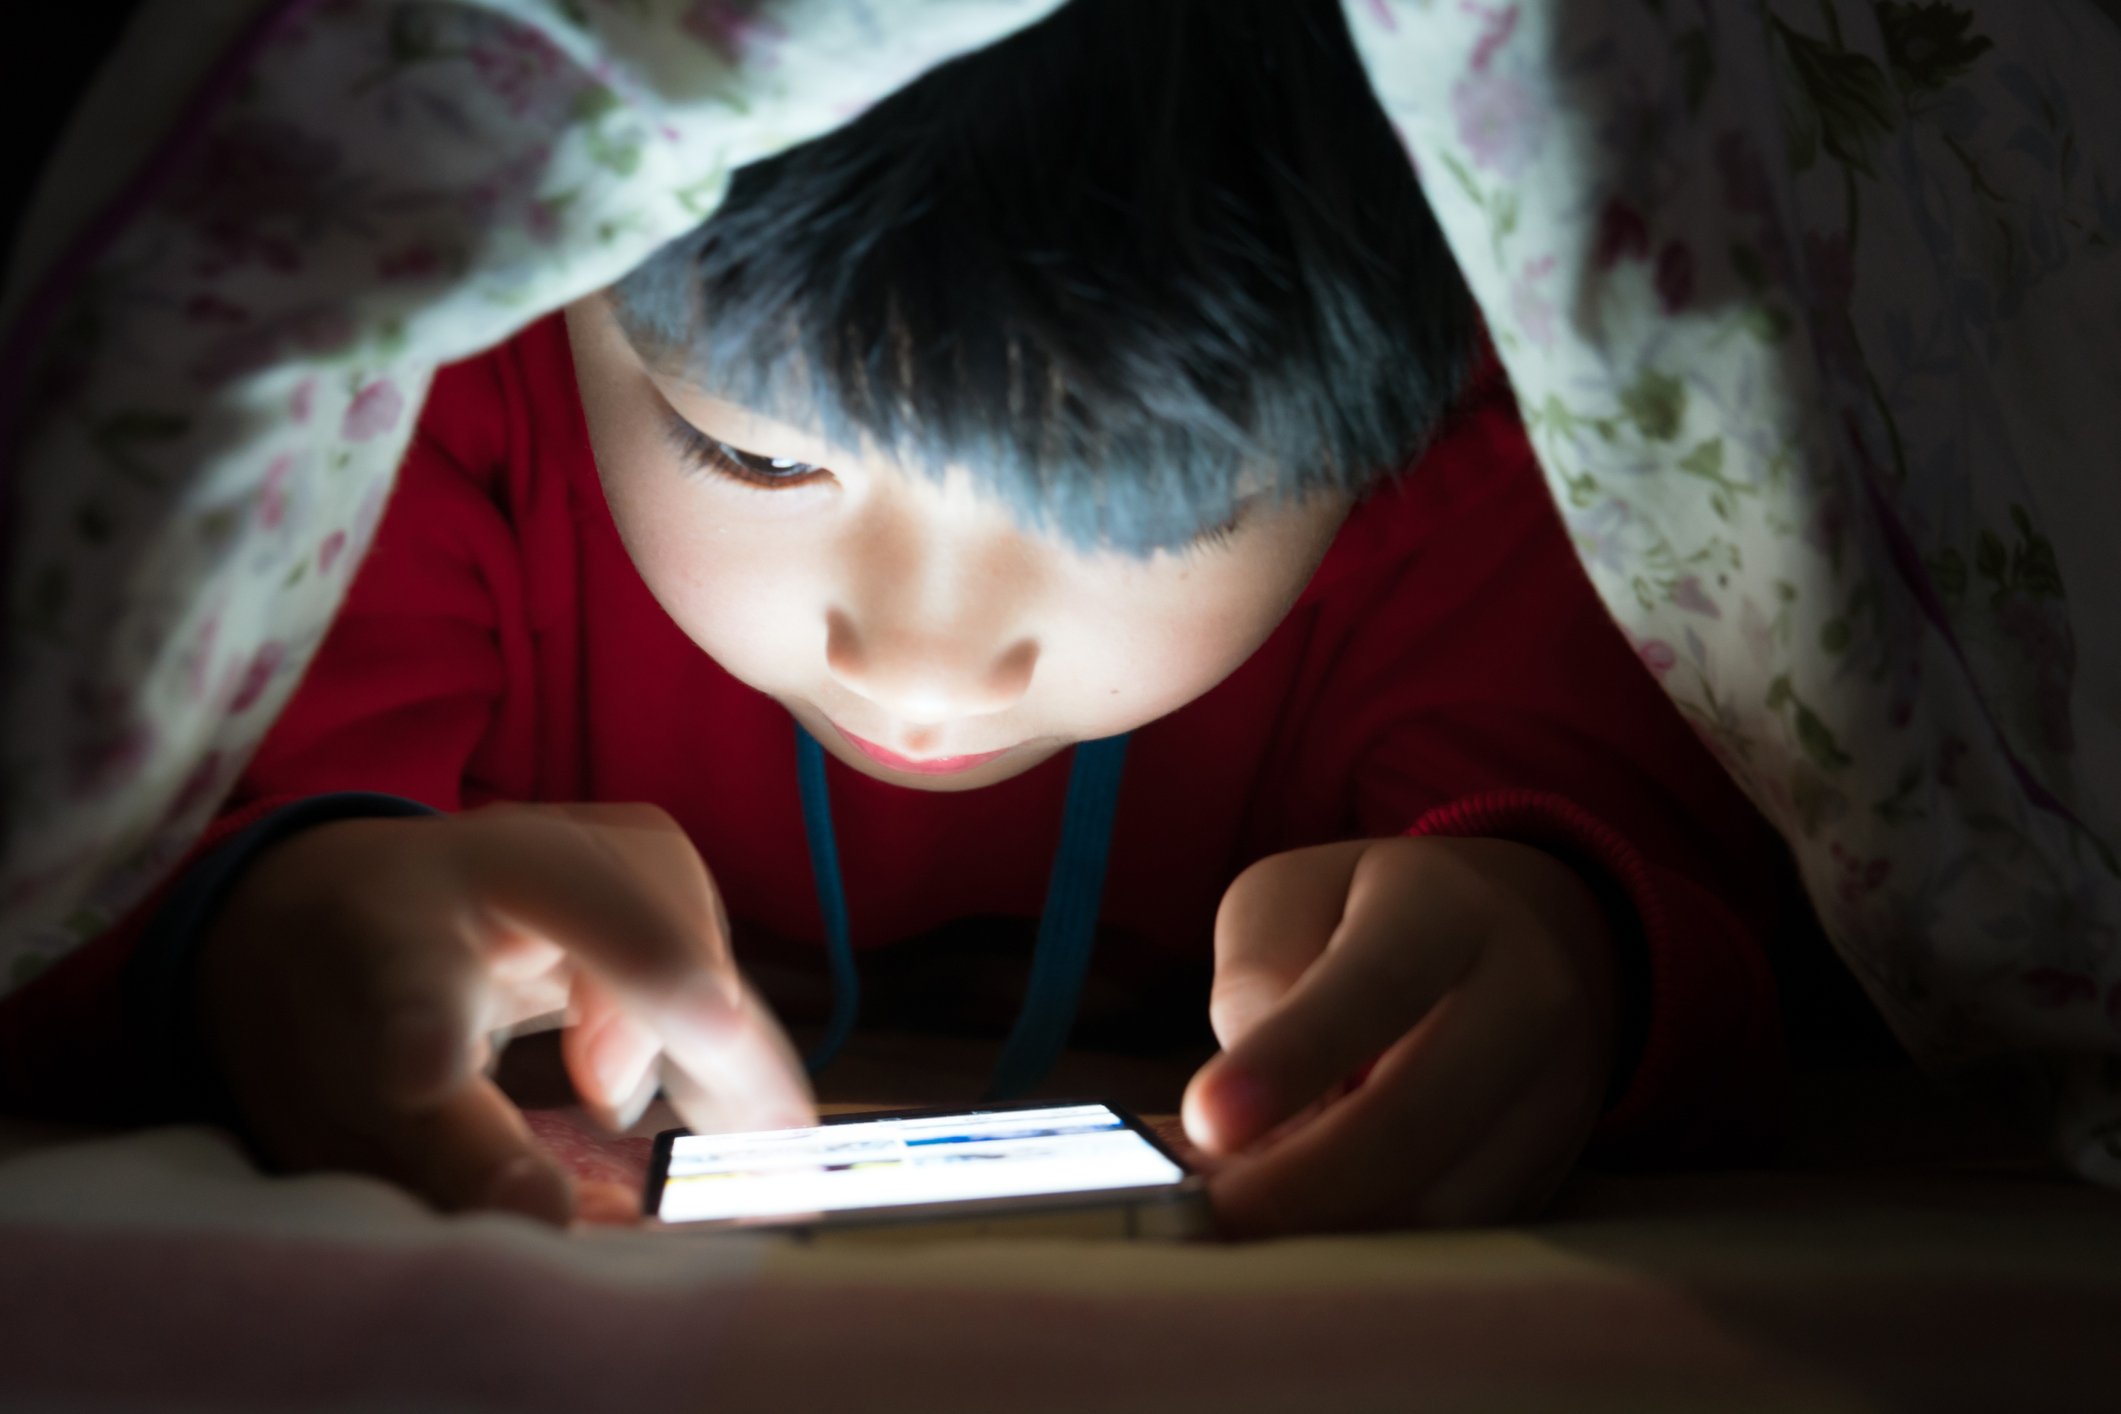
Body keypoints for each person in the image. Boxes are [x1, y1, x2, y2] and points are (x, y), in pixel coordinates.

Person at [0, 0, 1796, 1234]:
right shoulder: (393, 407)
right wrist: (253, 923)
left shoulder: (1492, 471)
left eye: (1153, 507)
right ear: (565, 285)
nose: (924, 656)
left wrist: (1572, 946)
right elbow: (86, 856)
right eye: (752, 452)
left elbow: (1768, 907)